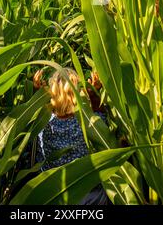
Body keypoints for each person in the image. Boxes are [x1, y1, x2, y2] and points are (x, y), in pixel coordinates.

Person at [33, 67, 109, 205]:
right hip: (89, 195)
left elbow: (33, 116)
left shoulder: (44, 123)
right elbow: (102, 125)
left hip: (53, 194)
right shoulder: (87, 122)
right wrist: (93, 92)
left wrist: (37, 94)